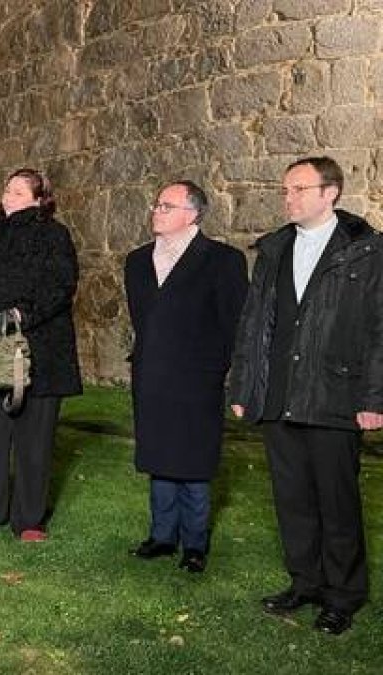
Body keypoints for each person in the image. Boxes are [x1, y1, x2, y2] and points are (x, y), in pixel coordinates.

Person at [229, 156, 383, 635]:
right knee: (291, 498)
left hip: (333, 395)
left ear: (330, 192)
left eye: (299, 189)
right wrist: (243, 385)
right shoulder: (274, 249)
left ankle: (343, 596)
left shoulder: (366, 250)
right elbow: (253, 323)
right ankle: (305, 583)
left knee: (337, 502)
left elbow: (380, 328)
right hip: (278, 396)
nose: (288, 198)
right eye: (285, 190)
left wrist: (374, 398)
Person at [0, 168, 81, 541]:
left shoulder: (54, 236)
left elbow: (60, 284)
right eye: (7, 191)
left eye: (19, 193)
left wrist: (21, 314)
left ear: (40, 200)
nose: (8, 198)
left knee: (33, 440)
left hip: (38, 347)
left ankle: (29, 520)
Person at [124, 181, 248, 573]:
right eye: (157, 204)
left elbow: (235, 323)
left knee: (193, 460)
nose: (156, 211)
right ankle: (162, 536)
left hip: (197, 376)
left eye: (167, 205)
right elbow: (143, 321)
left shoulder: (222, 260)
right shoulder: (137, 261)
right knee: (159, 455)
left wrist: (218, 369)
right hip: (151, 373)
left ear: (192, 214)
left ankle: (195, 543)